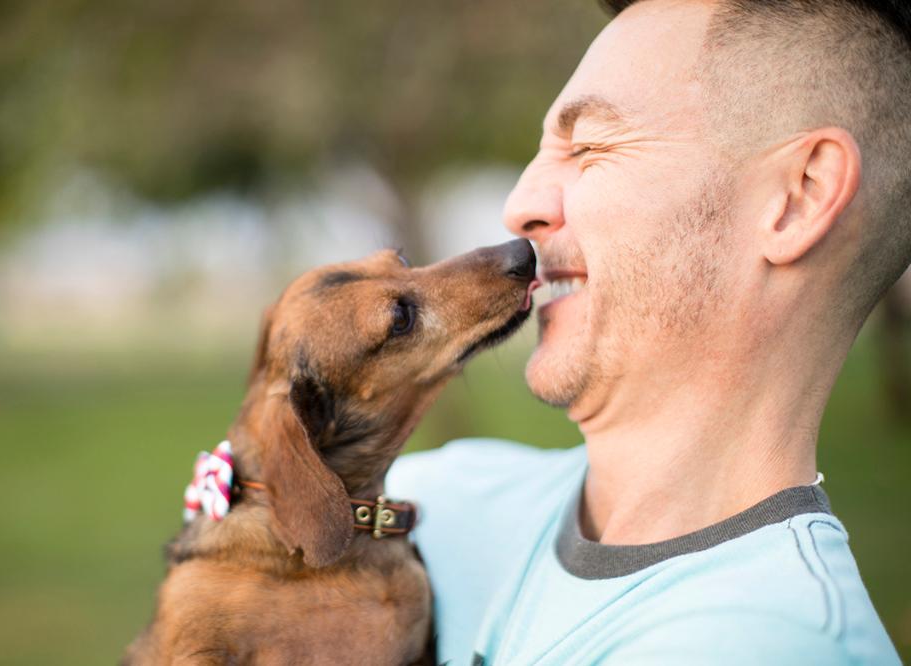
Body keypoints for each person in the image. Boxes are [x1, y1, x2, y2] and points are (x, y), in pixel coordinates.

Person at [386, 0, 909, 663]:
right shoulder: (436, 497)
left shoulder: (768, 641)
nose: (520, 205)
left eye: (591, 146)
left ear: (798, 196)